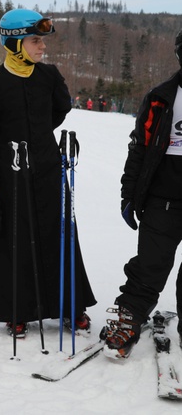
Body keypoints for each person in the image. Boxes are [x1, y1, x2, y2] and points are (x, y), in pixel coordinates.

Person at [0, 8, 96, 338]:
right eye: (36, 40)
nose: (42, 47)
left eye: (42, 41)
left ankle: (70, 306)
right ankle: (18, 310)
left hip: (48, 171)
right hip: (9, 175)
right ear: (14, 42)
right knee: (16, 243)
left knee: (59, 238)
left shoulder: (49, 76)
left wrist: (36, 134)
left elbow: (59, 110)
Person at [104, 29, 182, 359]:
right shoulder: (161, 97)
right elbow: (138, 149)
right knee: (149, 266)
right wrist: (128, 195)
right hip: (163, 199)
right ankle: (130, 320)